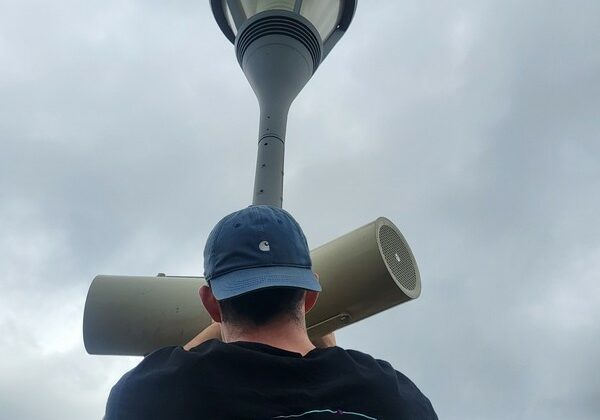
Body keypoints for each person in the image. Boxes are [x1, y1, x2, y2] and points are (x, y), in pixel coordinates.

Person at [105, 205, 437, 419]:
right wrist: (330, 350)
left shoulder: (148, 394)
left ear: (210, 303)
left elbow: (157, 384)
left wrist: (212, 331)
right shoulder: (394, 397)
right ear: (310, 296)